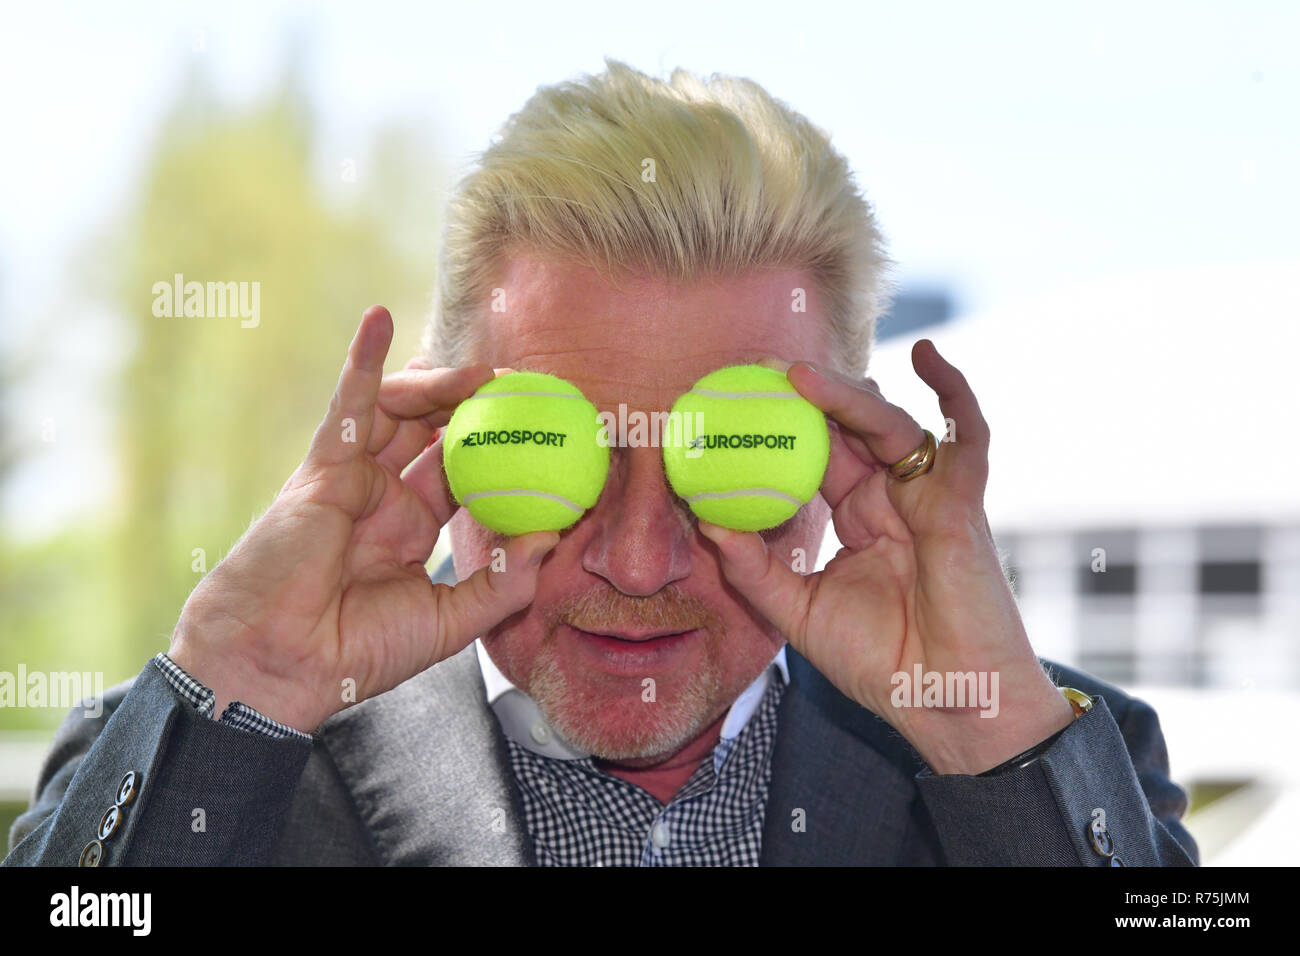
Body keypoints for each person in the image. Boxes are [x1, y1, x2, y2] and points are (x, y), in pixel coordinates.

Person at [5, 59, 1196, 866]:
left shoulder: (1051, 757)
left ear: (839, 462)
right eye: (559, 454)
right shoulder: (220, 751)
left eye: (723, 462)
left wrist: (989, 740)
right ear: (449, 439)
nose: (636, 557)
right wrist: (242, 685)